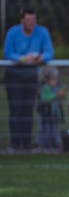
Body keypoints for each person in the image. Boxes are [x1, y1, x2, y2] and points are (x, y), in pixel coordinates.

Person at [3, 8, 54, 151]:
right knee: (16, 109)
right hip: (15, 74)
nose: (31, 23)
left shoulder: (42, 32)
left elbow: (49, 52)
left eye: (33, 20)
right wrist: (22, 58)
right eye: (28, 20)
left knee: (28, 109)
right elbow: (8, 52)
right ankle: (14, 143)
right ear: (22, 21)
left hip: (32, 75)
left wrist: (39, 58)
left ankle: (26, 143)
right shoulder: (13, 32)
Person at [37, 65, 65, 152]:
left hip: (54, 114)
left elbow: (61, 99)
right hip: (45, 113)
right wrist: (56, 95)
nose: (54, 82)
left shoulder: (57, 88)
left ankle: (56, 145)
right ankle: (43, 145)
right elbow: (45, 98)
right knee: (44, 129)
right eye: (53, 80)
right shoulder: (44, 88)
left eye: (56, 80)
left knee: (54, 130)